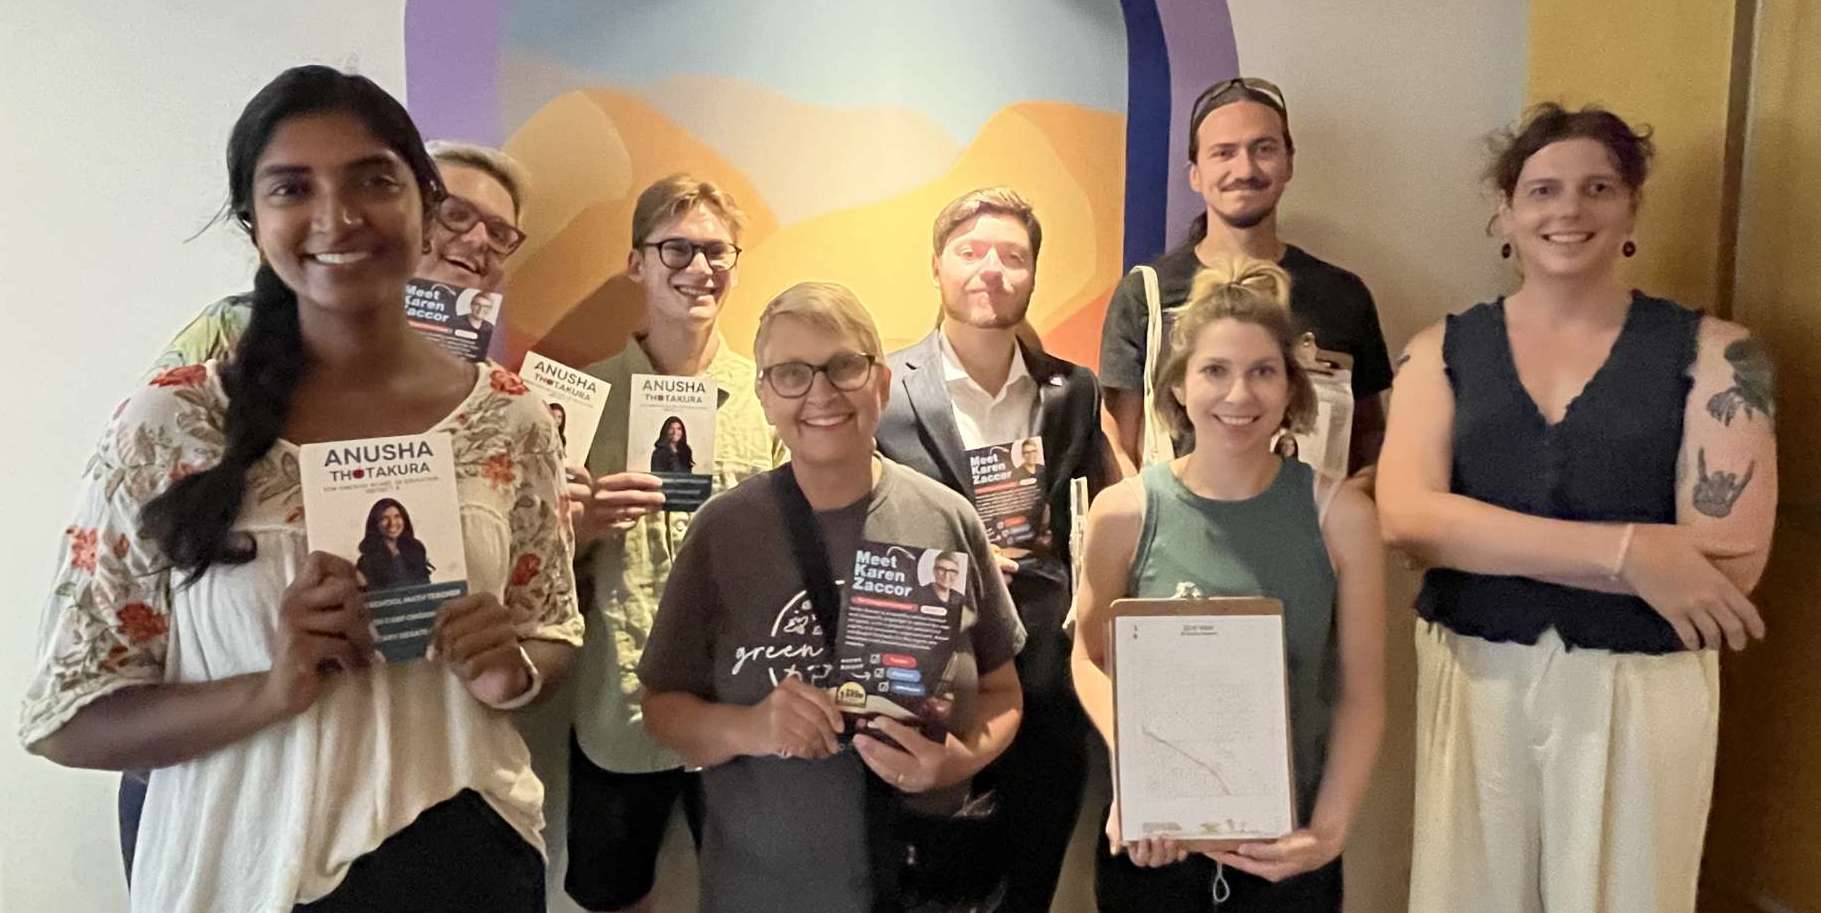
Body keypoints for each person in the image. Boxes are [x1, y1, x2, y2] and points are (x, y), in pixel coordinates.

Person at [19, 66, 581, 912]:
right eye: (292, 187)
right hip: (243, 867)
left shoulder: (508, 419)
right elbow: (66, 716)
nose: (337, 216)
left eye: (373, 180)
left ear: (424, 205)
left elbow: (552, 627)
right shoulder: (171, 424)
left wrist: (512, 671)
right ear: (254, 223)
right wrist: (270, 688)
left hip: (469, 852)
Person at [1378, 103, 1778, 913]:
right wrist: (1631, 551)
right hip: (1474, 668)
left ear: (1631, 205)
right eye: (1542, 190)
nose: (1567, 210)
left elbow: (1728, 562)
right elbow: (1408, 518)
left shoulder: (1717, 353)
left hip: (1641, 684)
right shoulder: (1439, 350)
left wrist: (1479, 534)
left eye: (1597, 187)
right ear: (1506, 211)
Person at [640, 281, 1026, 913]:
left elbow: (1005, 692)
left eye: (844, 366)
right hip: (763, 891)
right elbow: (662, 711)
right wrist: (752, 726)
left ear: (880, 382)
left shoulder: (947, 518)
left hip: (922, 883)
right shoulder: (723, 531)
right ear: (764, 396)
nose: (820, 393)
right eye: (791, 374)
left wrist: (957, 762)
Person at [1072, 255, 1387, 912]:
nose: (1238, 395)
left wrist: (1325, 834)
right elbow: (1089, 655)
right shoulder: (1126, 512)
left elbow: (1362, 693)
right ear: (1178, 386)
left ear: (1290, 388)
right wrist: (1135, 774)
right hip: (1154, 842)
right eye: (1214, 370)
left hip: (1288, 845)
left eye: (1261, 371)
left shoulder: (1341, 517)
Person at [874, 186, 1118, 913]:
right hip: (922, 692)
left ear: (1033, 272)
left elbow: (1089, 525)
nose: (991, 270)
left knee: (1029, 891)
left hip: (1046, 691)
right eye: (970, 251)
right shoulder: (881, 388)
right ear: (937, 265)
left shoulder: (1072, 391)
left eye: (1013, 256)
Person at [565, 175, 780, 913]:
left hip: (741, 701)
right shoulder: (578, 402)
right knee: (613, 894)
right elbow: (526, 570)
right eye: (676, 248)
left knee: (757, 890)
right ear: (636, 263)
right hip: (616, 709)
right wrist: (581, 530)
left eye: (716, 250)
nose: (699, 267)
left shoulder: (772, 397)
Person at [1098, 77, 1392, 476]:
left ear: (1289, 161)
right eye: (1223, 153)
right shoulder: (1144, 294)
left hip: (1311, 533)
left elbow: (1371, 439)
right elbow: (1116, 440)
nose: (1245, 169)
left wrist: (1344, 511)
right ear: (1196, 174)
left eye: (1264, 149)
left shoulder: (1344, 296)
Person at [146, 138, 531, 373]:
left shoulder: (491, 392)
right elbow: (132, 476)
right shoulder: (234, 328)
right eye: (456, 214)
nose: (479, 239)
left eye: (499, 234)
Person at [354, 498, 434, 589]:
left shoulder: (416, 549)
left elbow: (426, 587)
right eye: (384, 518)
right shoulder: (366, 561)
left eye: (397, 516)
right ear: (375, 524)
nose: (392, 523)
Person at [459, 290, 498, 357]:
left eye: (486, 306)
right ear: (471, 305)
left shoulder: (491, 329)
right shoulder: (456, 322)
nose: (481, 309)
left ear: (490, 309)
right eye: (477, 305)